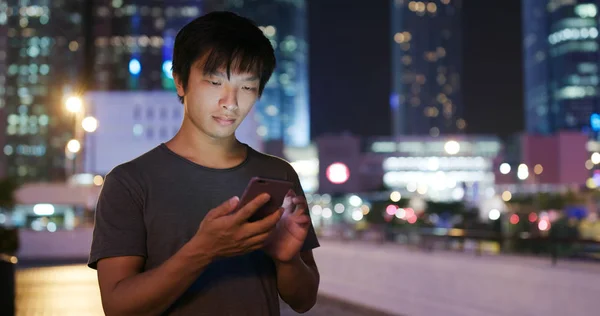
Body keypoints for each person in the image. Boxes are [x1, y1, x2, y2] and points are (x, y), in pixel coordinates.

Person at [88, 11, 320, 316]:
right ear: (181, 82)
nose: (231, 102)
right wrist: (204, 249)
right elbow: (118, 308)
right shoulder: (130, 182)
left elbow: (304, 301)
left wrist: (286, 260)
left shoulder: (278, 174)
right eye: (214, 82)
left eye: (247, 87)